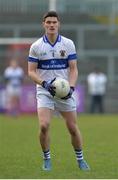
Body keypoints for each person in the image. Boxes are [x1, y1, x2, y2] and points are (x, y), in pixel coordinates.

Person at [28, 11, 90, 171]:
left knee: (72, 127)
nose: (51, 25)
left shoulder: (68, 44)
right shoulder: (36, 46)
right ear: (44, 24)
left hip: (64, 92)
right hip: (45, 90)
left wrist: (71, 87)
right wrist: (44, 83)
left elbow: (74, 69)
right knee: (44, 125)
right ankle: (46, 158)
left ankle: (80, 159)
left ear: (59, 24)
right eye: (48, 22)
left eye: (54, 22)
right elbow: (31, 71)